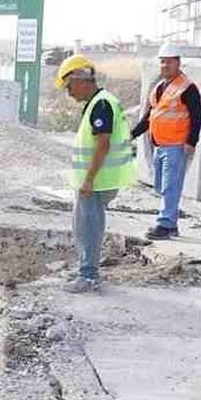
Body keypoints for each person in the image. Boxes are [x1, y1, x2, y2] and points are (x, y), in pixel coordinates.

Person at [55, 54, 138, 293]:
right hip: (98, 179)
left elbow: (103, 144)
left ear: (80, 79)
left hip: (98, 180)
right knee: (86, 225)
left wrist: (89, 179)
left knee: (88, 227)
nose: (69, 93)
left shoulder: (101, 104)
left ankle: (88, 276)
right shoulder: (99, 102)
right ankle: (85, 268)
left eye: (69, 87)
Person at [130, 44, 201, 240]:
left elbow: (197, 117)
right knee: (160, 185)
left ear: (178, 63)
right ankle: (170, 222)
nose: (165, 65)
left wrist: (191, 141)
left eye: (169, 61)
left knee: (171, 185)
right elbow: (150, 116)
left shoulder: (187, 88)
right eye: (162, 61)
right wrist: (133, 134)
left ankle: (166, 224)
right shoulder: (159, 88)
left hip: (176, 145)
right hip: (159, 145)